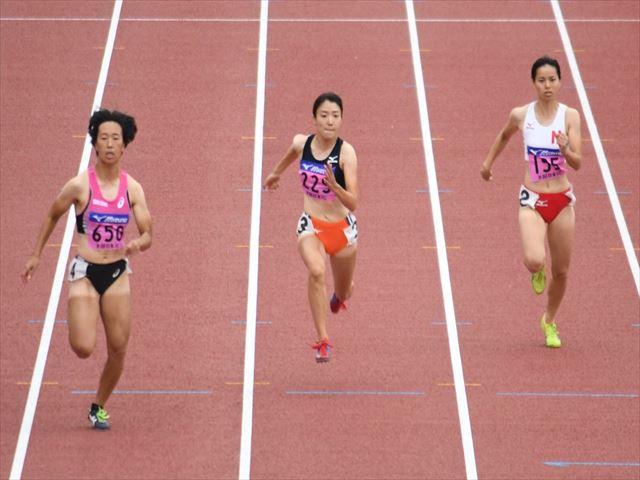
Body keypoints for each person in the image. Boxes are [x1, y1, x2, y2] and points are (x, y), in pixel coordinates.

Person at [22, 109, 153, 428]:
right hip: (85, 272)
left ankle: (98, 405)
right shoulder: (80, 186)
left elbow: (148, 232)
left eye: (115, 139)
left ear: (124, 146)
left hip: (117, 274)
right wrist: (36, 254)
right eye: (104, 138)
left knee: (119, 349)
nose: (109, 144)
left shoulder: (132, 188)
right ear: (95, 144)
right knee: (83, 347)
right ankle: (85, 308)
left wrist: (139, 243)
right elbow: (53, 214)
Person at [481, 56, 582, 348]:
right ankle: (537, 270)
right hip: (533, 199)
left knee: (562, 271)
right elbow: (503, 136)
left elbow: (578, 163)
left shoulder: (570, 117)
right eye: (542, 80)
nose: (547, 85)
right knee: (535, 258)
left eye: (552, 79)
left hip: (562, 200)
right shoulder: (521, 115)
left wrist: (565, 150)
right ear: (534, 83)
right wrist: (487, 165)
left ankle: (549, 320)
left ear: (560, 81)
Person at [264, 92, 359, 363]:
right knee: (316, 270)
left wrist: (336, 187)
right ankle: (323, 339)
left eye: (335, 116)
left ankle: (339, 297)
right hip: (311, 226)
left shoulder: (346, 153)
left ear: (341, 119)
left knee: (345, 290)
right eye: (324, 115)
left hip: (342, 231)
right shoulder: (302, 143)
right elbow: (291, 154)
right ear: (314, 119)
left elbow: (354, 202)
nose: (330, 121)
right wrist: (275, 173)